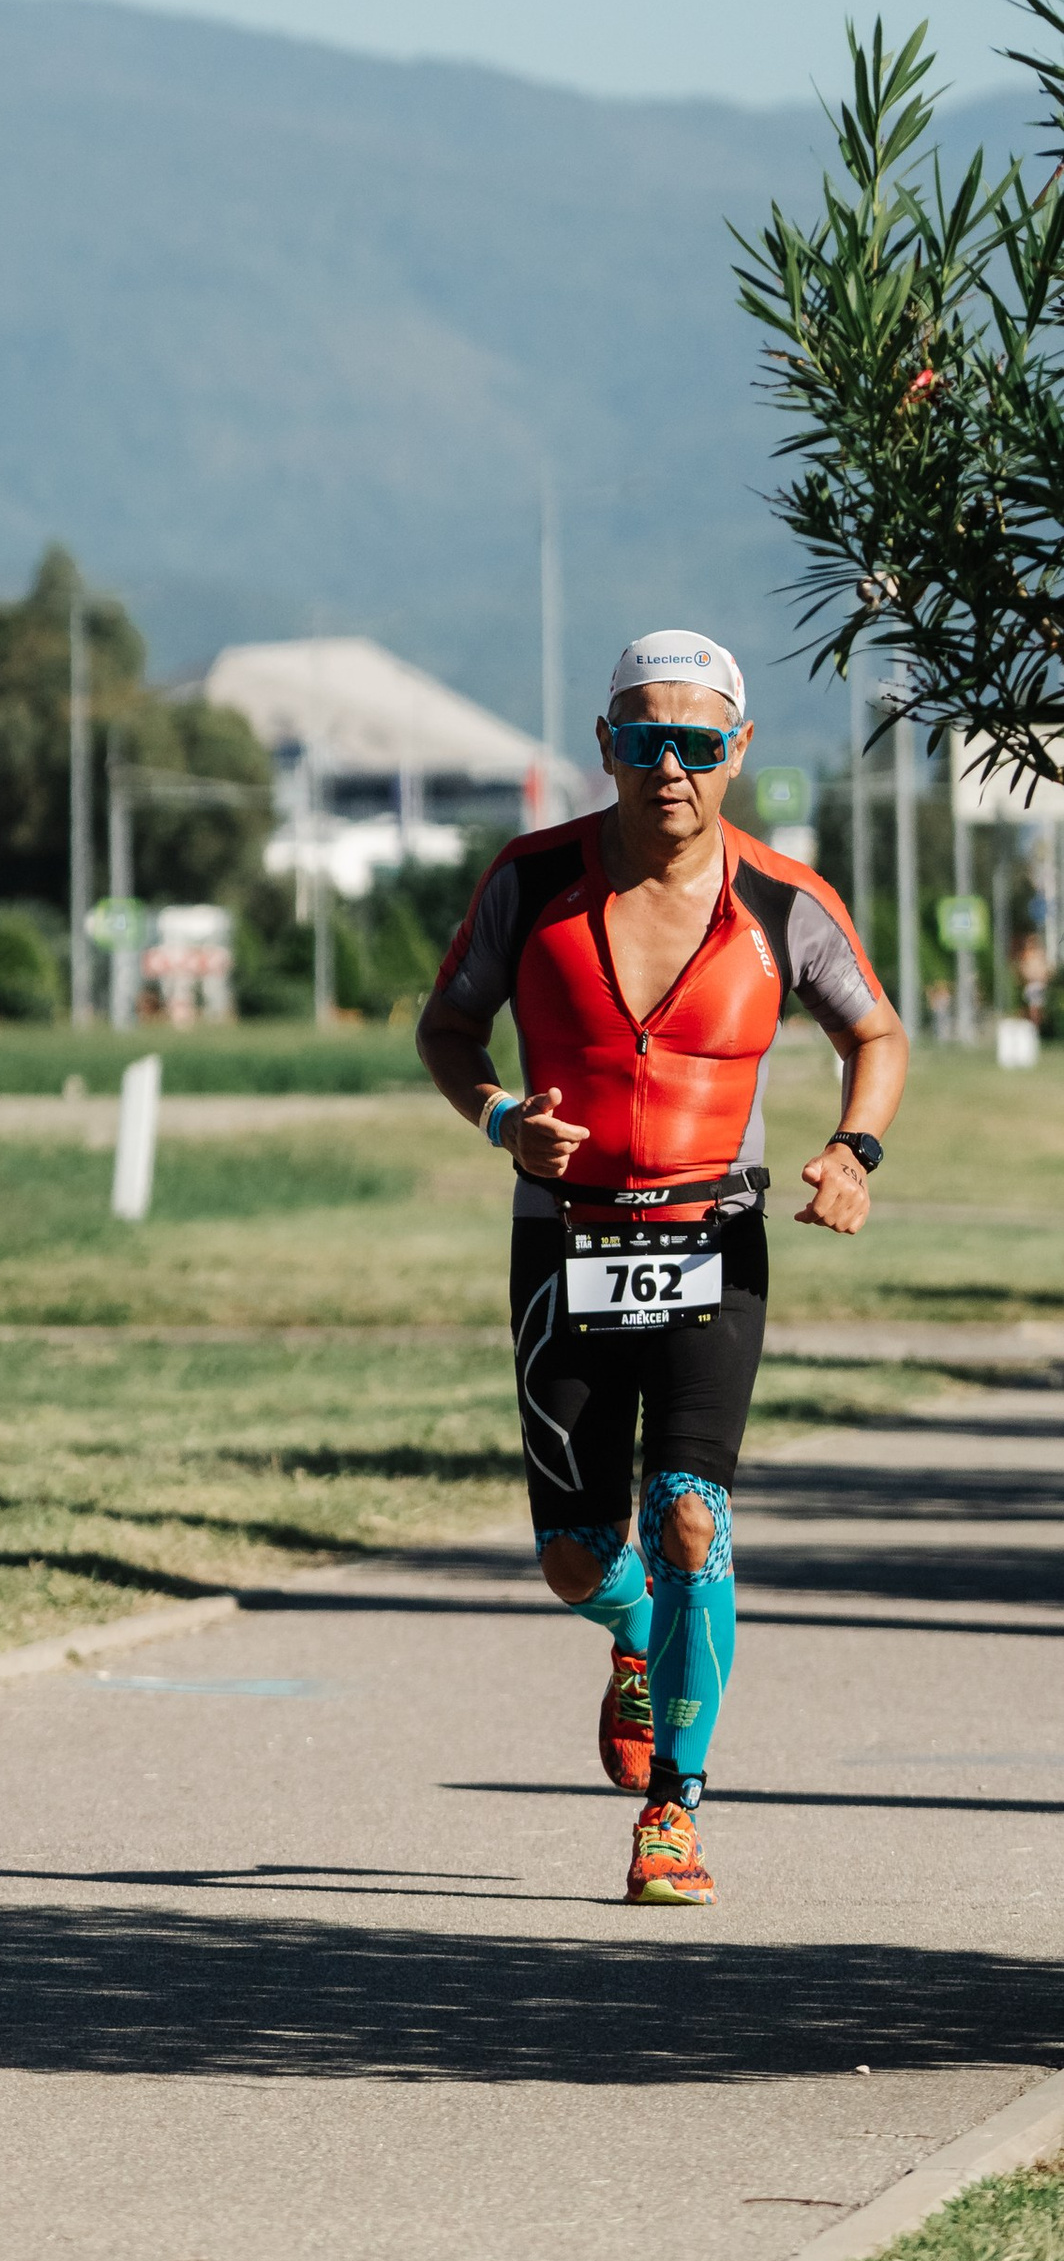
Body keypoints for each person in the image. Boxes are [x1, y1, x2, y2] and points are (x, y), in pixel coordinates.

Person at [417, 629, 906, 1906]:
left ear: (737, 753)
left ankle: (672, 1810)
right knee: (575, 1558)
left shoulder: (785, 902)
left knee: (690, 1509)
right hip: (560, 1241)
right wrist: (495, 1115)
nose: (671, 768)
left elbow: (876, 1031)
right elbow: (447, 1023)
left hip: (712, 1238)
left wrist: (853, 1149)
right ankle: (634, 1638)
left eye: (697, 745)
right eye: (647, 742)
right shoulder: (530, 884)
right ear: (607, 749)